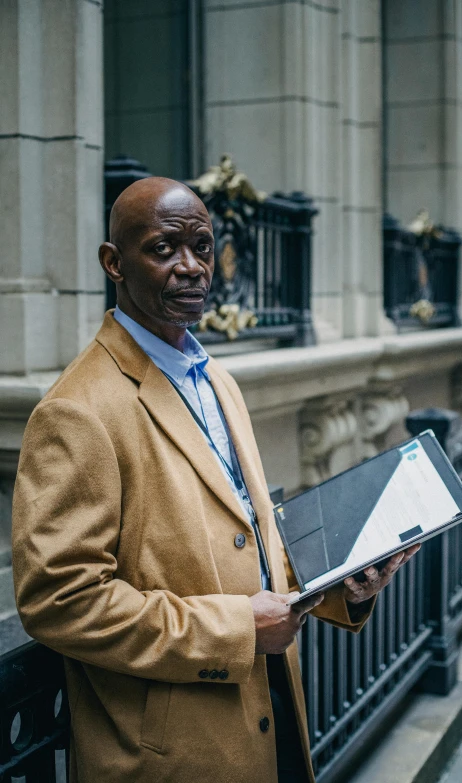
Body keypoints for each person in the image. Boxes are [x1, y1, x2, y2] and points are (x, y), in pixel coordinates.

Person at [11, 178, 419, 783]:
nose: (191, 268)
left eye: (202, 247)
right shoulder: (77, 410)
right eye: (163, 249)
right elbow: (59, 600)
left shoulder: (216, 379)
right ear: (112, 263)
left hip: (269, 713)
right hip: (172, 753)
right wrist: (233, 628)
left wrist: (341, 585)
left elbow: (247, 539)